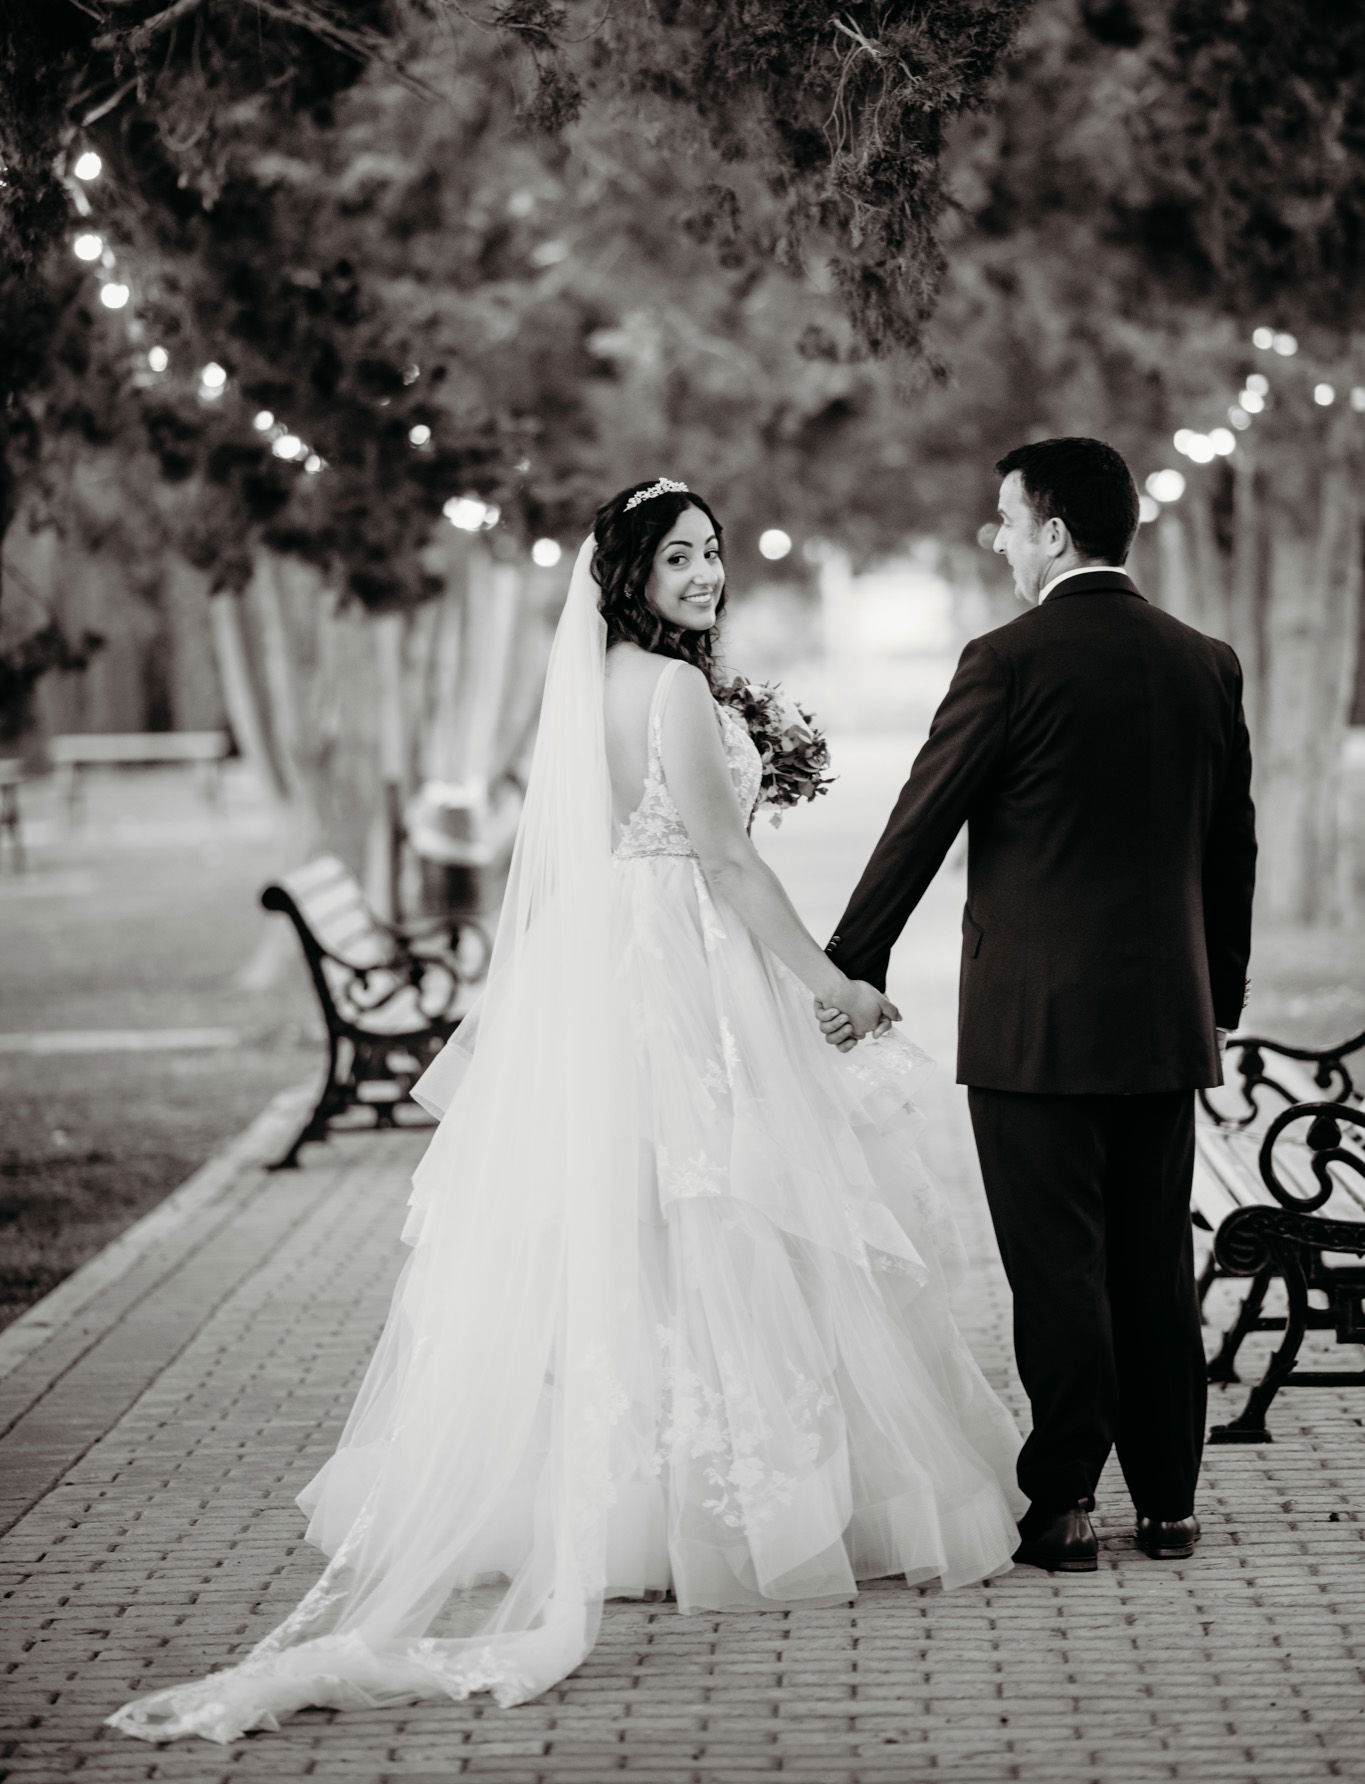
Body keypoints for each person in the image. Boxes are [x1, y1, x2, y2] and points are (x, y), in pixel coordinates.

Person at [109, 478, 1024, 1746]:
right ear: (631, 572)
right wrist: (833, 985)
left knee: (638, 1218)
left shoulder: (592, 684)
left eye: (712, 553)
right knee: (719, 1206)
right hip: (681, 976)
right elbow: (725, 861)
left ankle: (616, 1500)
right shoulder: (677, 691)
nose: (705, 574)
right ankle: (712, 1506)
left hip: (603, 970)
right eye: (680, 557)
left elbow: (595, 852)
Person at [819, 438, 1256, 1574]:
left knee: (1057, 1269)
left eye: (1007, 518)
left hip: (1032, 1028)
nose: (998, 537)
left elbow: (924, 818)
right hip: (1168, 1020)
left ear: (1054, 532)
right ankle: (1169, 1504)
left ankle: (1063, 1502)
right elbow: (1233, 852)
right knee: (1154, 1265)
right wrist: (1221, 999)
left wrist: (851, 961)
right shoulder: (1205, 660)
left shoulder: (1005, 660)